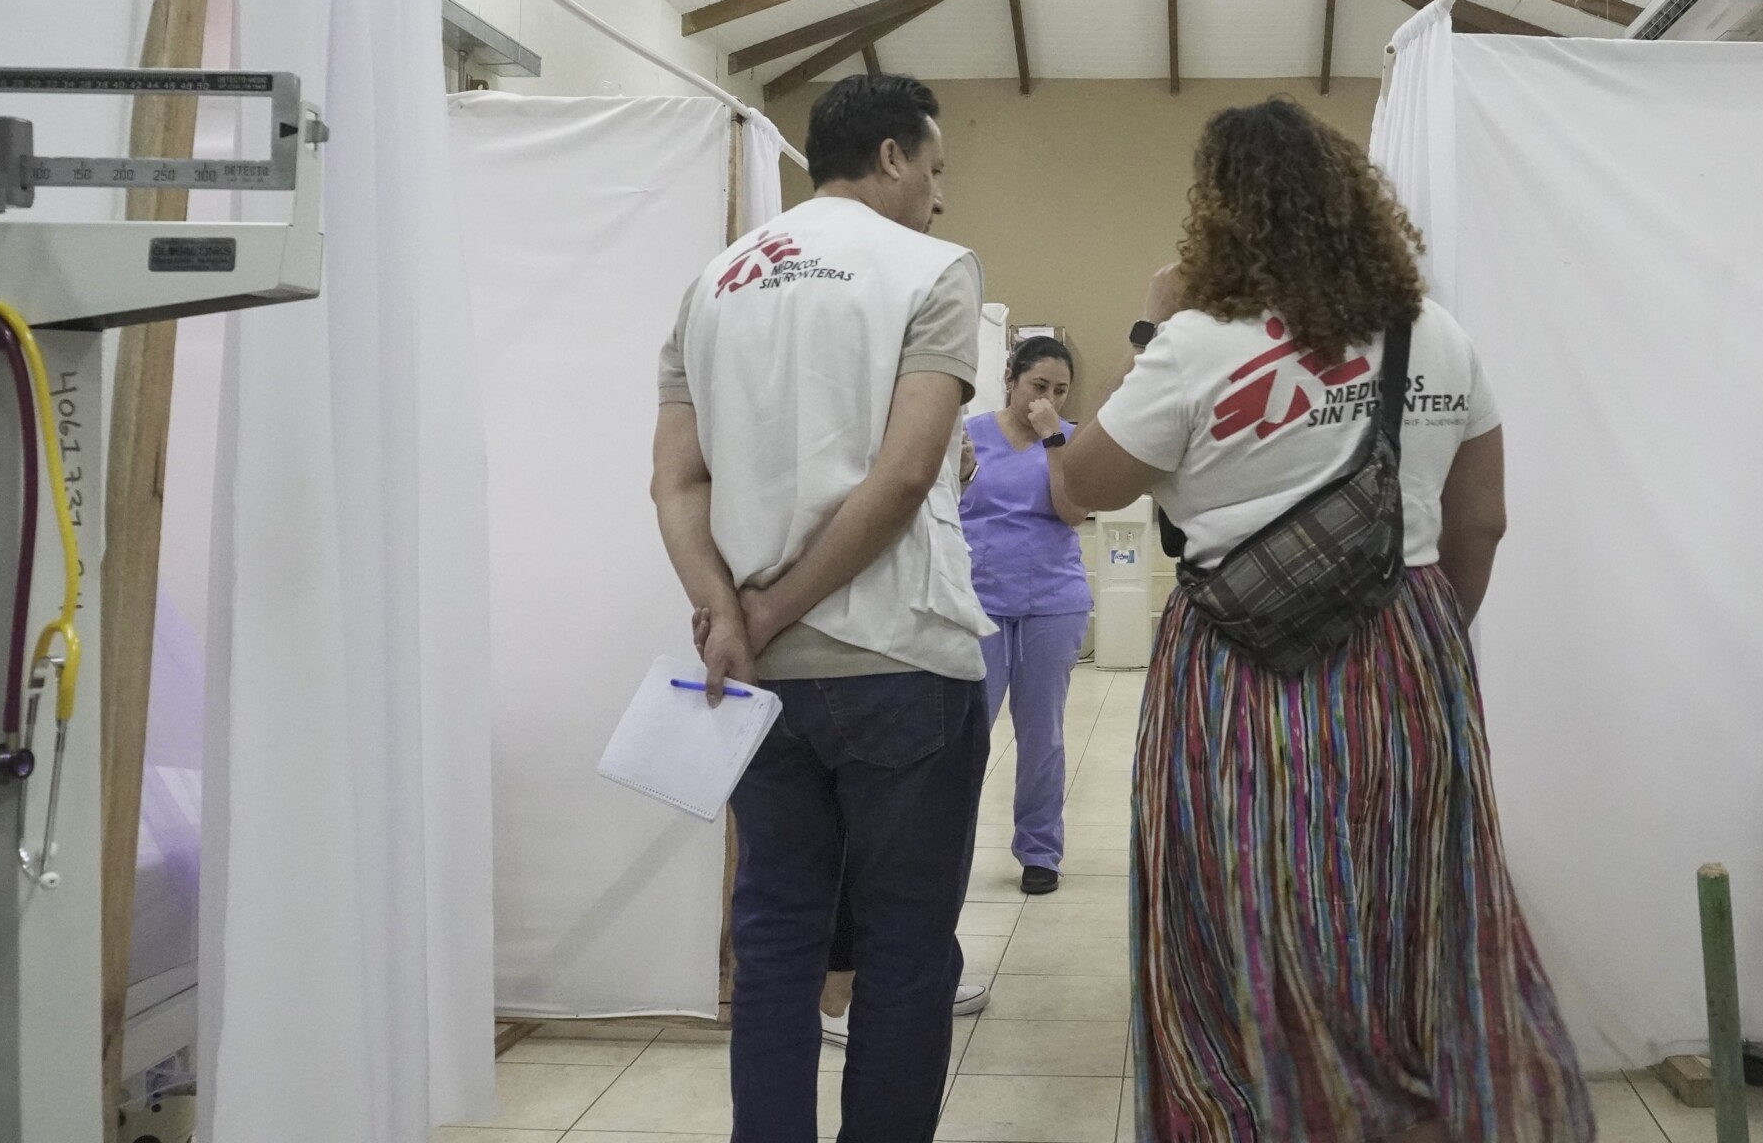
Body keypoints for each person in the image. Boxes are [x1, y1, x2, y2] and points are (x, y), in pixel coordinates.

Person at [1050, 98, 1592, 1142]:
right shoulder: (1435, 334)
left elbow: (1077, 485)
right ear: (1355, 205)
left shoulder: (1193, 344)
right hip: (1413, 655)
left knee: (1248, 910)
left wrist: (1150, 322)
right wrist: (1413, 632)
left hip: (1238, 675)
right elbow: (1483, 519)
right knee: (1411, 911)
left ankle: (1261, 1112)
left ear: (1217, 214)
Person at [650, 71, 993, 1141]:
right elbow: (898, 482)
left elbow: (677, 480)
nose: (939, 196)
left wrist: (727, 613)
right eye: (934, 170)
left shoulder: (711, 283)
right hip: (900, 661)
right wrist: (776, 609)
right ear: (892, 157)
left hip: (756, 687)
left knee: (777, 943)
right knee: (901, 954)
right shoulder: (930, 270)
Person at [959, 335, 1095, 896]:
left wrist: (1055, 441)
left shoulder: (1069, 438)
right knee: (968, 737)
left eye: (1060, 391)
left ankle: (1039, 850)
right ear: (1010, 378)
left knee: (1043, 735)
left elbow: (1072, 511)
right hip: (980, 599)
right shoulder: (966, 433)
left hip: (1052, 602)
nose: (1049, 398)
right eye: (1039, 386)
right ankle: (948, 848)